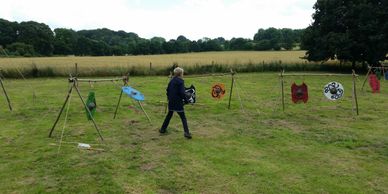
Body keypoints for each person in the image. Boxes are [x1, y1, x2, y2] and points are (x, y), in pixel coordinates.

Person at [159, 67, 192, 139]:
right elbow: (182, 93)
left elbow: (167, 90)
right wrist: (186, 100)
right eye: (182, 73)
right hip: (178, 102)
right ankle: (187, 133)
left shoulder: (171, 80)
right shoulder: (181, 81)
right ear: (180, 74)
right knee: (183, 117)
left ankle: (162, 129)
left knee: (169, 115)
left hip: (171, 101)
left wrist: (169, 98)